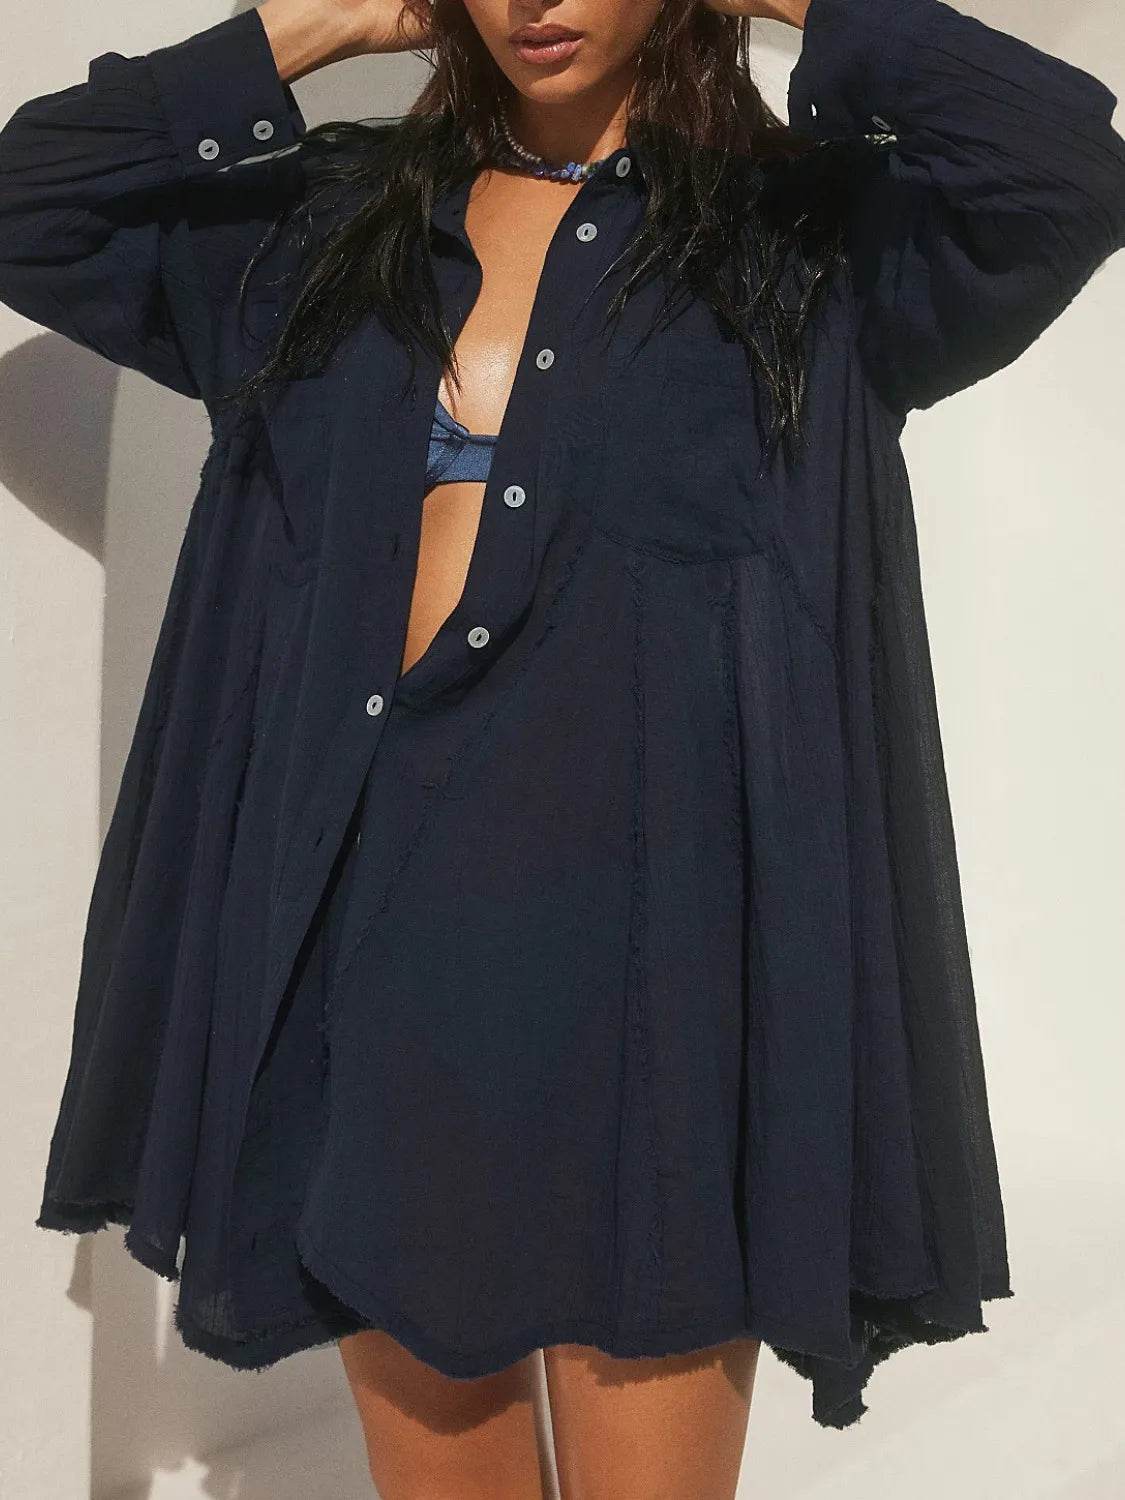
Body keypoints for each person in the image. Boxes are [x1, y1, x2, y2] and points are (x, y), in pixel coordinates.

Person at [2, 0, 1123, 1494]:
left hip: (662, 975)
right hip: (366, 939)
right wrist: (327, 23)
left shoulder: (815, 246)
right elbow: (28, 198)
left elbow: (1066, 167)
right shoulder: (312, 229)